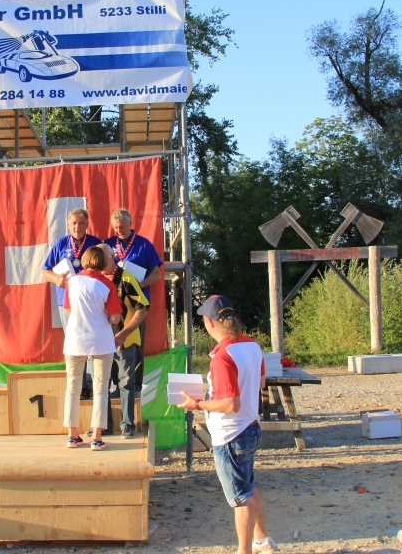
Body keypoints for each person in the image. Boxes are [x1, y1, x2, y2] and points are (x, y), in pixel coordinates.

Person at [178, 295, 278, 554]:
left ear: (211, 324)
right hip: (251, 427)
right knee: (249, 486)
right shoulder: (253, 346)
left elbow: (230, 403)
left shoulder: (221, 357)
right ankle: (262, 541)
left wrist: (198, 404)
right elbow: (261, 384)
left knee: (240, 498)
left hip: (231, 433)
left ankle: (245, 551)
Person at [62, 246, 122, 451]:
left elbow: (68, 310)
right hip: (101, 341)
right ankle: (96, 437)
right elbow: (115, 317)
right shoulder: (107, 284)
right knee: (101, 389)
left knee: (72, 388)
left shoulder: (72, 281)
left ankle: (72, 435)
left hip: (74, 340)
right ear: (103, 263)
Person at [103, 208, 163, 385]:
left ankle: (135, 387)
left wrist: (135, 287)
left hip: (136, 304)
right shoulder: (107, 244)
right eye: (115, 227)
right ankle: (112, 384)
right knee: (110, 344)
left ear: (130, 224)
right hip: (111, 304)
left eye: (122, 227)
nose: (118, 231)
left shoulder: (144, 245)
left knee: (134, 345)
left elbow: (156, 274)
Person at [99, 243, 148, 439]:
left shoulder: (127, 278)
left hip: (124, 340)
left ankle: (127, 425)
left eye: (102, 257)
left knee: (125, 383)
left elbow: (142, 309)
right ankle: (105, 426)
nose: (98, 262)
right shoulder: (94, 280)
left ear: (112, 257)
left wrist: (123, 333)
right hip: (101, 342)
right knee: (103, 384)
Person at [42, 208, 102, 330]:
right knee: (71, 337)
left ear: (87, 224)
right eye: (74, 223)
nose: (77, 227)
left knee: (91, 334)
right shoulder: (61, 244)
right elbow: (45, 271)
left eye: (81, 223)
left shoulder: (96, 243)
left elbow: (105, 268)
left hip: (90, 297)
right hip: (67, 298)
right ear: (68, 225)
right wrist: (57, 278)